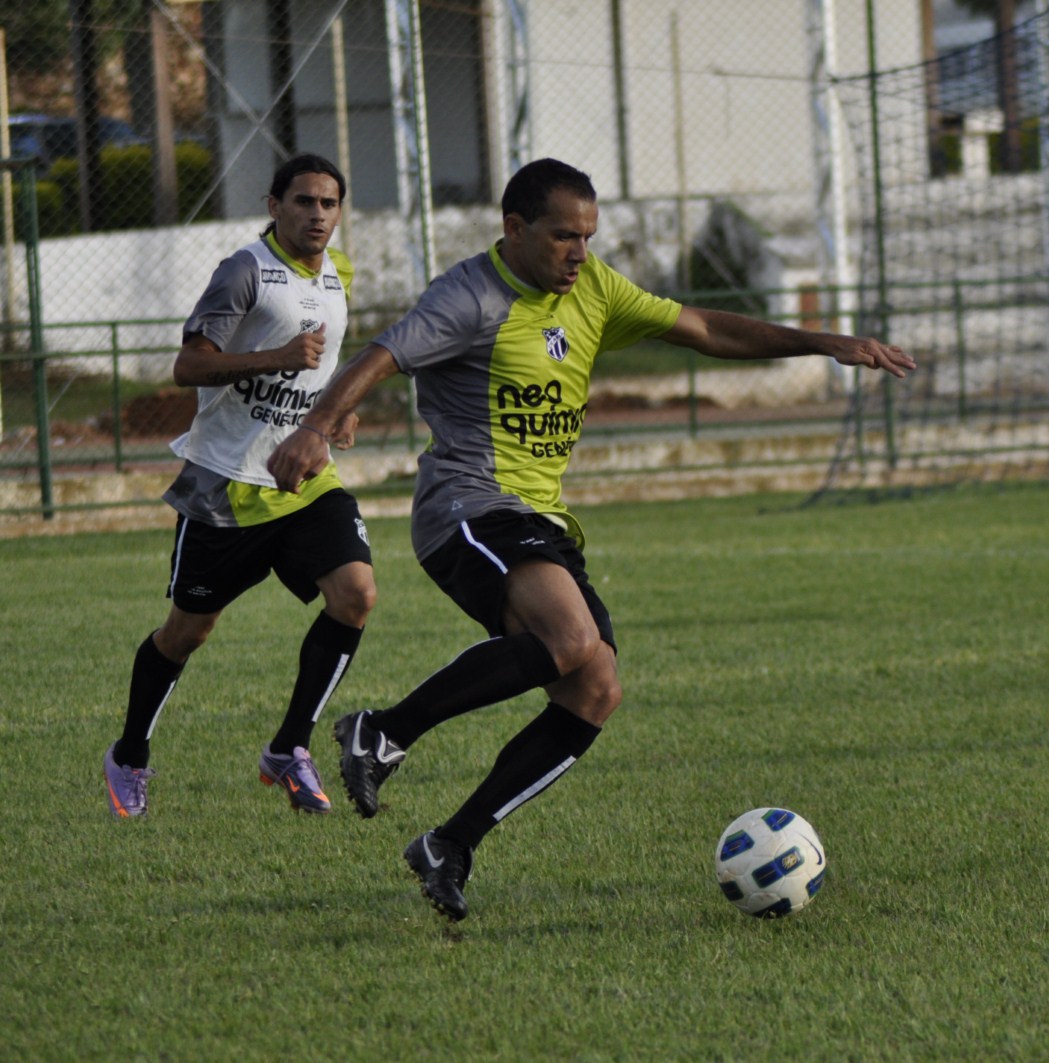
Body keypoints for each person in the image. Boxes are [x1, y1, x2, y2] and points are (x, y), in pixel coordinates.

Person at [266, 158, 915, 921]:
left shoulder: (597, 289)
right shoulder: (469, 295)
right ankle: (382, 731)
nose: (579, 251)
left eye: (588, 235)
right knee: (571, 638)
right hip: (467, 508)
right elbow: (384, 352)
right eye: (563, 236)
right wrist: (316, 425)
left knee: (595, 687)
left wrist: (819, 341)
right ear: (515, 230)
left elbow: (705, 327)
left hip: (539, 519)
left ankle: (451, 843)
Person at [102, 154, 375, 819]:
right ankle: (129, 754)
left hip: (305, 481)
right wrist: (278, 358)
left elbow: (328, 359)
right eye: (304, 201)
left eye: (329, 204)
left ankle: (289, 748)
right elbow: (189, 364)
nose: (318, 215)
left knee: (356, 595)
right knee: (186, 633)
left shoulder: (340, 272)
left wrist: (334, 412)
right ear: (274, 204)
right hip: (226, 487)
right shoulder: (245, 269)